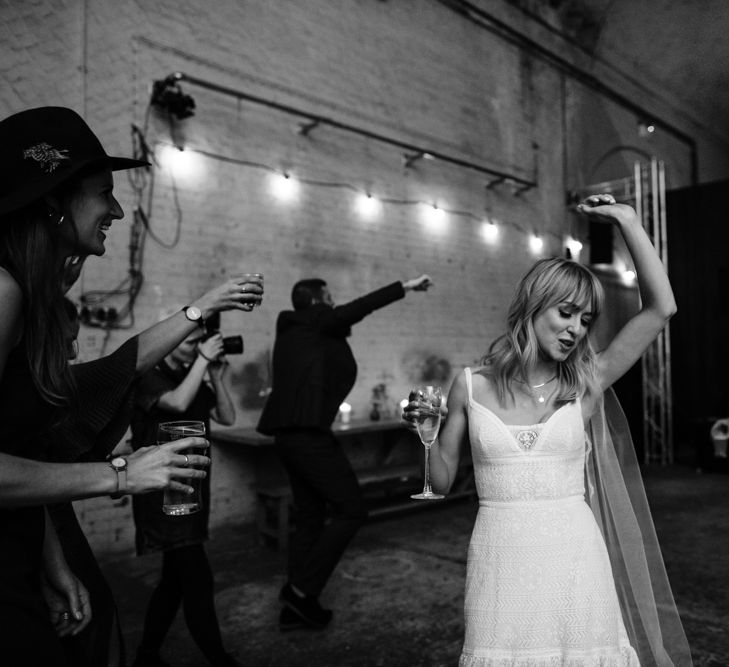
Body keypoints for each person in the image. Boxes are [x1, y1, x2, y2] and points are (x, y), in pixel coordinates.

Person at [0, 106, 262, 666]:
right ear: (53, 201)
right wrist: (121, 473)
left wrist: (51, 562)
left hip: (24, 542)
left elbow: (114, 370)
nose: (117, 209)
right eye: (103, 192)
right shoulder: (2, 292)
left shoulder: (25, 297)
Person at [403, 194, 693, 666]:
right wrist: (427, 435)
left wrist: (628, 221)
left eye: (585, 320)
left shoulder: (587, 382)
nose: (576, 329)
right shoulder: (470, 386)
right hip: (500, 564)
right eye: (566, 313)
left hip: (577, 558)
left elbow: (661, 309)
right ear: (535, 306)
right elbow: (437, 486)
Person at [257, 274, 432, 631]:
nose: (335, 302)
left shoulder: (296, 329)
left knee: (310, 515)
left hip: (290, 436)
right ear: (318, 300)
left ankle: (298, 606)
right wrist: (405, 287)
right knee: (352, 510)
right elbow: (358, 308)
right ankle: (301, 589)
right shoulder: (316, 319)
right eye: (329, 296)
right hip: (307, 436)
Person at [129, 328, 238, 667]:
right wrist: (204, 360)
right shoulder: (149, 375)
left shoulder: (192, 373)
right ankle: (219, 659)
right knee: (197, 579)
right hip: (163, 494)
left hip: (192, 490)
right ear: (172, 343)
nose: (198, 348)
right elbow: (176, 402)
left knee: (174, 582)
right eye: (192, 342)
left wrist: (216, 377)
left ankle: (146, 655)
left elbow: (227, 417)